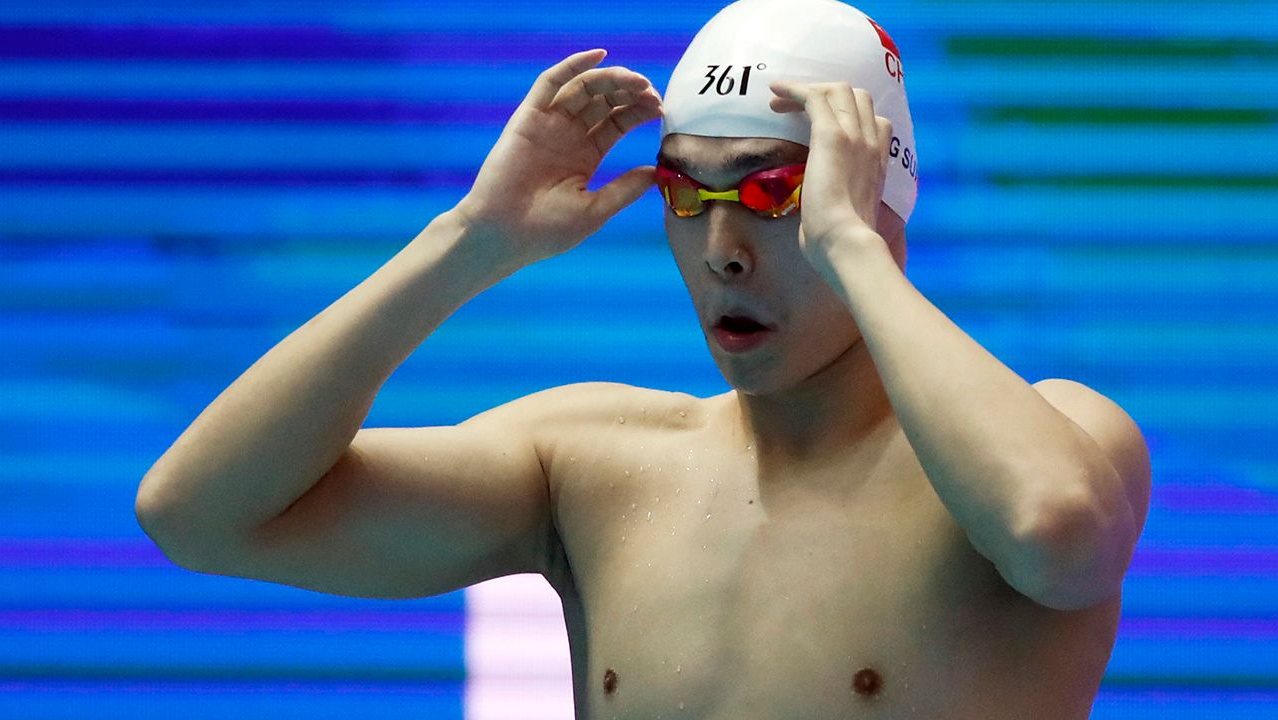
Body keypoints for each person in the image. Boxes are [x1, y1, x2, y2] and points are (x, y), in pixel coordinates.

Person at [135, 0, 1152, 717]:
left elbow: (1053, 535)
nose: (722, 249)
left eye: (768, 194)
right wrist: (469, 243)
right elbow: (199, 514)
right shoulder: (592, 463)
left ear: (875, 194)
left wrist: (849, 245)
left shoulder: (1055, 440)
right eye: (685, 194)